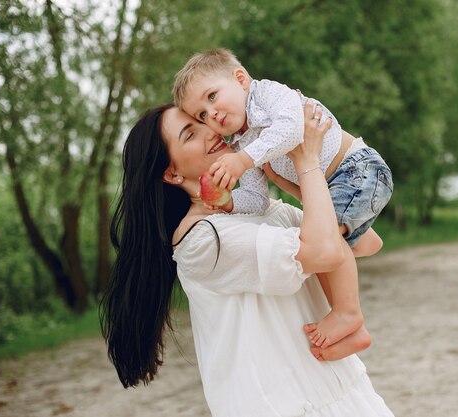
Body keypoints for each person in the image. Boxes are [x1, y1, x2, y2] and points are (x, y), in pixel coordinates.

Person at [100, 102, 395, 417]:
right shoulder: (202, 241)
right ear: (171, 173)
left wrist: (297, 174)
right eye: (190, 134)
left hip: (340, 392)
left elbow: (364, 242)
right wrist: (307, 160)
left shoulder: (265, 210)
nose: (211, 132)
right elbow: (326, 252)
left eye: (203, 122)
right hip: (285, 406)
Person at [172, 48, 394, 349]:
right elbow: (257, 200)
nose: (211, 113)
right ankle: (361, 239)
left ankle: (347, 313)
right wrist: (229, 203)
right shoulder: (241, 143)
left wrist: (243, 161)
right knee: (325, 236)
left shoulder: (267, 94)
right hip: (332, 184)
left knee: (327, 238)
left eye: (212, 97)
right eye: (201, 115)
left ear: (240, 79)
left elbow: (292, 130)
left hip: (358, 169)